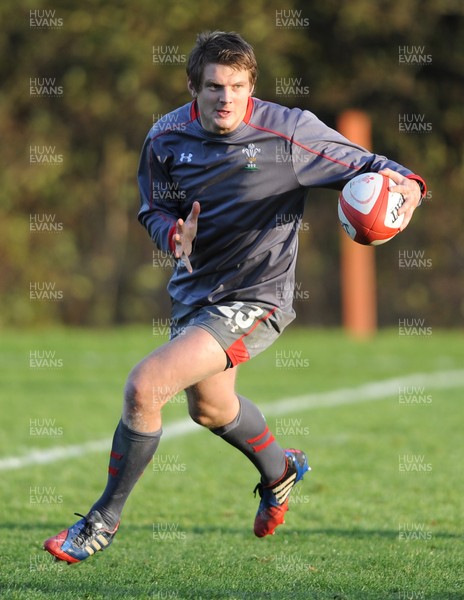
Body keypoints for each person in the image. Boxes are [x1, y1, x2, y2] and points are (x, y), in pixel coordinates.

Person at [44, 31, 426, 564]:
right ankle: (280, 470)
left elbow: (372, 166)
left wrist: (408, 186)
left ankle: (101, 521)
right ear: (193, 88)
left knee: (144, 387)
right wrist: (169, 234)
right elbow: (152, 208)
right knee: (211, 407)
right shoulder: (165, 137)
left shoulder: (289, 133)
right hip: (195, 292)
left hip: (257, 294)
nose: (227, 98)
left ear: (253, 87)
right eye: (215, 87)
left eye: (239, 87)